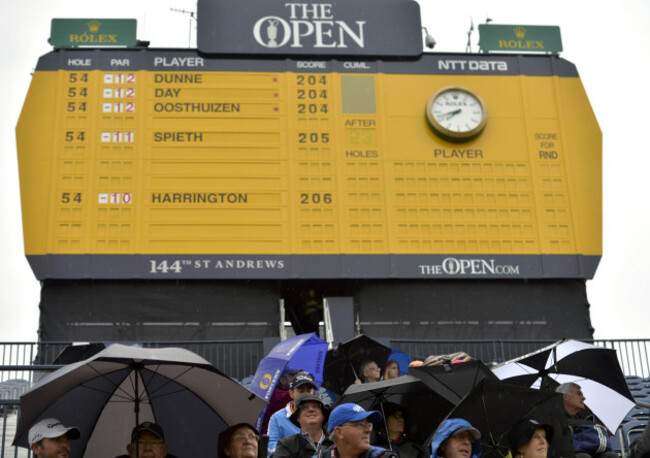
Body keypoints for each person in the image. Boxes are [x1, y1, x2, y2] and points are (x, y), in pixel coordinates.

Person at [556, 382, 617, 458]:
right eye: (579, 394)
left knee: (610, 456)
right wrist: (593, 425)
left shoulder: (585, 416)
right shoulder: (553, 415)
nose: (584, 398)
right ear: (566, 396)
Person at [319, 403, 397, 458]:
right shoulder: (321, 456)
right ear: (339, 432)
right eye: (361, 425)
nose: (368, 430)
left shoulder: (383, 456)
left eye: (369, 425)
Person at [267, 372, 319, 455]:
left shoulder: (322, 416)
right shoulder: (277, 418)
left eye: (309, 390)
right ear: (291, 393)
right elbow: (271, 448)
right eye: (301, 390)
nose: (305, 394)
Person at [273, 393, 332, 458]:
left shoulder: (335, 441)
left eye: (316, 406)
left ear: (323, 415)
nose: (311, 409)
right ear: (297, 417)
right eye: (304, 407)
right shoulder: (286, 444)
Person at [262, 369, 299, 434]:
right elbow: (305, 394)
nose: (298, 380)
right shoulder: (276, 394)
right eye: (294, 377)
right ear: (283, 381)